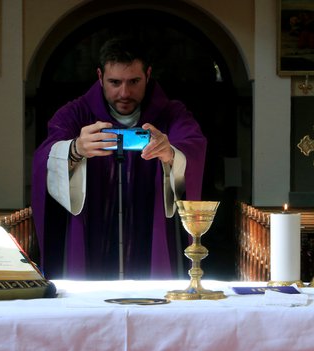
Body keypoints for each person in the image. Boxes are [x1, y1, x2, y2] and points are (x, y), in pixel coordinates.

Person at [31, 36, 207, 280]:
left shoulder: (171, 113)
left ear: (148, 74)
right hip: (93, 229)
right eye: (114, 82)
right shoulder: (76, 112)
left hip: (149, 228)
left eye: (134, 81)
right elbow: (44, 157)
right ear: (100, 77)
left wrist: (171, 154)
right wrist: (74, 149)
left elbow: (194, 147)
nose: (124, 93)